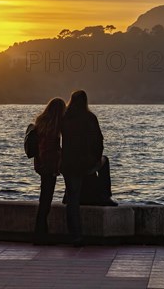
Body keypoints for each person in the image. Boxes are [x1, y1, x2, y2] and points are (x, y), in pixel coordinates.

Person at [61, 90, 116, 247]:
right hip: (86, 164)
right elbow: (99, 141)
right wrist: (95, 159)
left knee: (73, 199)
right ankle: (106, 196)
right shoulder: (90, 117)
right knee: (105, 161)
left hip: (68, 165)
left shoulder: (65, 118)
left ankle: (75, 236)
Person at [32, 97, 66, 245]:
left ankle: (41, 232)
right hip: (48, 167)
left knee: (44, 199)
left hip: (40, 165)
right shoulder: (53, 127)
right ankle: (40, 235)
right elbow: (49, 150)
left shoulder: (41, 122)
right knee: (46, 200)